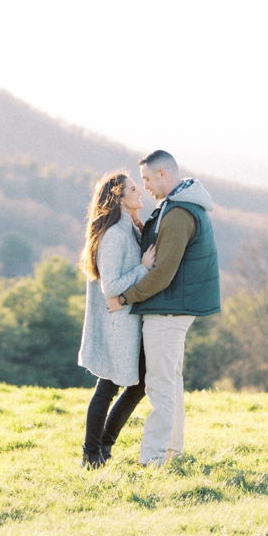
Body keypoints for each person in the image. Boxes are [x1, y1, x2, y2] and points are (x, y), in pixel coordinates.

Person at [106, 150, 220, 465]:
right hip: (172, 308)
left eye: (146, 179)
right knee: (170, 382)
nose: (144, 187)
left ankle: (152, 459)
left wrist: (124, 297)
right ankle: (172, 451)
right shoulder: (175, 206)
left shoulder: (178, 213)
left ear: (162, 175)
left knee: (159, 387)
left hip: (168, 311)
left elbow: (163, 273)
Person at [76, 170, 154, 468]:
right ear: (119, 199)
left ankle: (103, 447)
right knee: (108, 387)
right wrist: (144, 268)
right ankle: (92, 453)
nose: (140, 192)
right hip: (117, 325)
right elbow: (112, 287)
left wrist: (138, 225)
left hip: (127, 322)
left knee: (138, 383)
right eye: (134, 189)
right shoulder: (113, 236)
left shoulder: (126, 229)